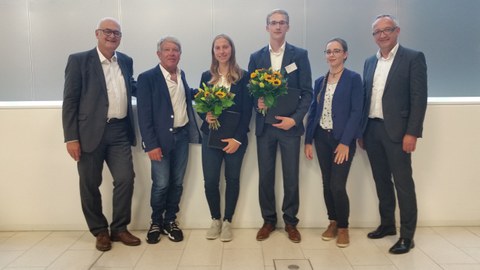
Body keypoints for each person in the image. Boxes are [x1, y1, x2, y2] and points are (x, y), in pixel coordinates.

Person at [62, 17, 140, 251]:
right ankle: (99, 231)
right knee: (89, 183)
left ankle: (119, 229)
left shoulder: (125, 61)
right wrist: (71, 137)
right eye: (107, 31)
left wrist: (161, 87)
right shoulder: (79, 61)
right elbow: (70, 101)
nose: (112, 36)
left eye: (116, 33)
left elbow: (132, 87)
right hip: (88, 133)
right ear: (97, 33)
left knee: (126, 179)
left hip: (119, 130)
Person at [360, 14, 427, 254]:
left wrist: (412, 133)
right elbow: (365, 97)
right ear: (374, 37)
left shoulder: (413, 58)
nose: (383, 35)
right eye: (378, 32)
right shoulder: (369, 62)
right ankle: (387, 225)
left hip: (398, 133)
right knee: (381, 181)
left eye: (387, 29)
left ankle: (407, 236)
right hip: (372, 129)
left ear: (397, 31)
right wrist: (361, 131)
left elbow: (419, 99)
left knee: (403, 184)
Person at [248, 9, 313, 243]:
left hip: (290, 128)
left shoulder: (300, 55)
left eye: (282, 23)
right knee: (265, 176)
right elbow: (250, 92)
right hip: (266, 128)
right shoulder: (256, 57)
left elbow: (307, 93)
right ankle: (268, 221)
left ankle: (290, 222)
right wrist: (258, 103)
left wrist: (295, 119)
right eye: (273, 23)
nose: (277, 27)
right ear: (267, 27)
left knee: (291, 176)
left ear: (288, 26)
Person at [136, 36, 201, 244]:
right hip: (160, 141)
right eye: (167, 50)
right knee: (161, 184)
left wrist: (209, 92)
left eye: (175, 50)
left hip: (182, 137)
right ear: (159, 54)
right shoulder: (147, 78)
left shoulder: (181, 75)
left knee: (177, 183)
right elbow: (144, 116)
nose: (171, 53)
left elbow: (183, 96)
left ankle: (170, 221)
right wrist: (151, 144)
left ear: (180, 54)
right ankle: (155, 222)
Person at [304, 38, 364, 248]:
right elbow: (313, 111)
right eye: (328, 51)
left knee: (338, 185)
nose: (332, 55)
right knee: (327, 183)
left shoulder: (354, 79)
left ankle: (344, 228)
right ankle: (332, 222)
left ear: (345, 54)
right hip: (321, 138)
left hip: (342, 140)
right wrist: (308, 140)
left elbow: (357, 112)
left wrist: (346, 142)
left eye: (336, 51)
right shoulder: (320, 81)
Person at [198, 34, 253, 242]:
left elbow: (247, 111)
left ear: (232, 49)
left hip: (235, 139)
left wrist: (238, 139)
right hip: (210, 136)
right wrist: (206, 115)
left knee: (232, 180)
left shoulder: (243, 76)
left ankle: (228, 221)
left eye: (225, 47)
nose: (222, 51)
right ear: (213, 52)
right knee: (210, 181)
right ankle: (215, 220)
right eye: (217, 48)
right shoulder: (206, 76)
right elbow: (201, 105)